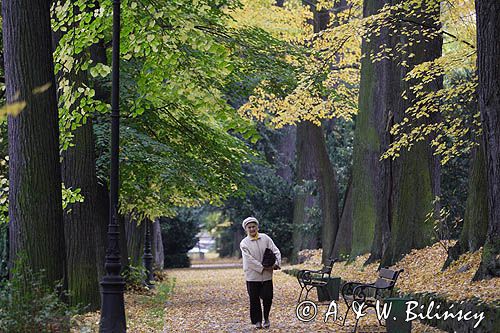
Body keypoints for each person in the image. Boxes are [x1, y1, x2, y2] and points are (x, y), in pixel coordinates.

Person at [240, 216, 281, 329]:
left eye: (254, 226)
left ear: (257, 227)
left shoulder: (266, 238)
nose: (252, 229)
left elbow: (275, 250)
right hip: (252, 276)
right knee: (254, 299)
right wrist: (263, 267)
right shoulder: (244, 243)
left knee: (268, 297)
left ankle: (266, 317)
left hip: (267, 276)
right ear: (246, 229)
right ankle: (257, 321)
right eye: (249, 227)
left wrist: (277, 263)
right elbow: (249, 260)